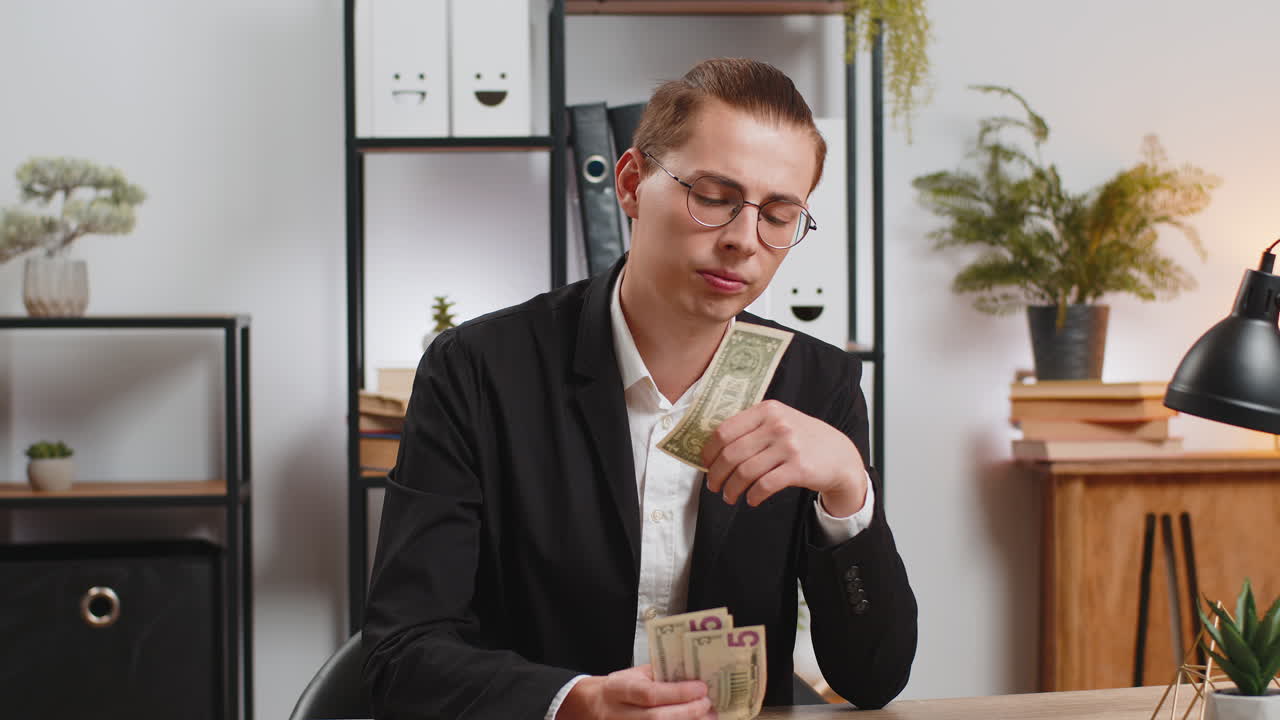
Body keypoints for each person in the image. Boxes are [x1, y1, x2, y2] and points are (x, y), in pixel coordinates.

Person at [363, 57, 917, 720]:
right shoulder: (476, 371)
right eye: (713, 197)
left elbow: (873, 678)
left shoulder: (818, 384)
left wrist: (848, 490)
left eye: (778, 214)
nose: (744, 241)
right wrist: (576, 702)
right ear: (630, 184)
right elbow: (402, 656)